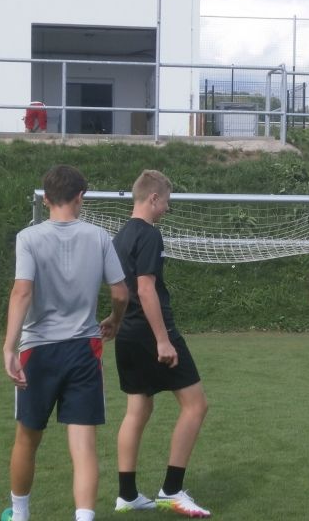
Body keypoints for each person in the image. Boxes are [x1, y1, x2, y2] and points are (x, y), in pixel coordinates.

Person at [1, 165, 129, 521]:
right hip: (83, 349)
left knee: (27, 439)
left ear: (45, 199)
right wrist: (115, 320)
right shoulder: (99, 236)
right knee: (83, 445)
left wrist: (9, 348)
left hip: (37, 351)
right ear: (80, 197)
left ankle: (20, 515)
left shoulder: (28, 237)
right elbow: (120, 293)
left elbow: (22, 292)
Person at [112, 169, 211, 518]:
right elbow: (144, 289)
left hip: (127, 334)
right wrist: (162, 340)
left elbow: (119, 291)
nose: (167, 208)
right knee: (196, 405)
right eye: (166, 201)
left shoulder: (120, 237)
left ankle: (127, 495)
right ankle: (171, 491)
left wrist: (115, 321)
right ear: (153, 198)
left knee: (137, 411)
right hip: (152, 333)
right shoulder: (149, 234)